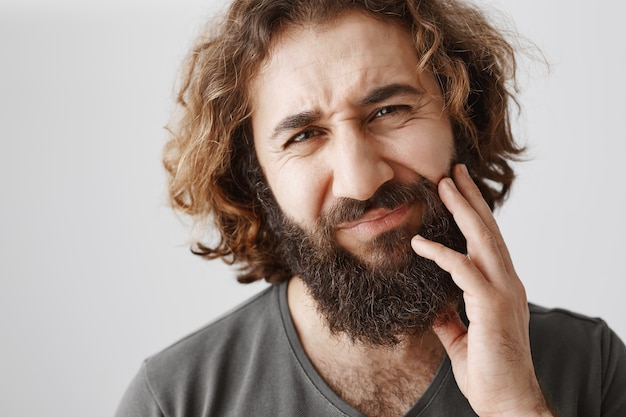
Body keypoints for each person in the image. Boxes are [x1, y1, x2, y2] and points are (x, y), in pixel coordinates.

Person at [115, 0, 626, 416]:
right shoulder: (176, 401)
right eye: (305, 135)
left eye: (389, 110)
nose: (361, 181)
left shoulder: (592, 365)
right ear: (255, 178)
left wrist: (518, 407)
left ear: (460, 120)